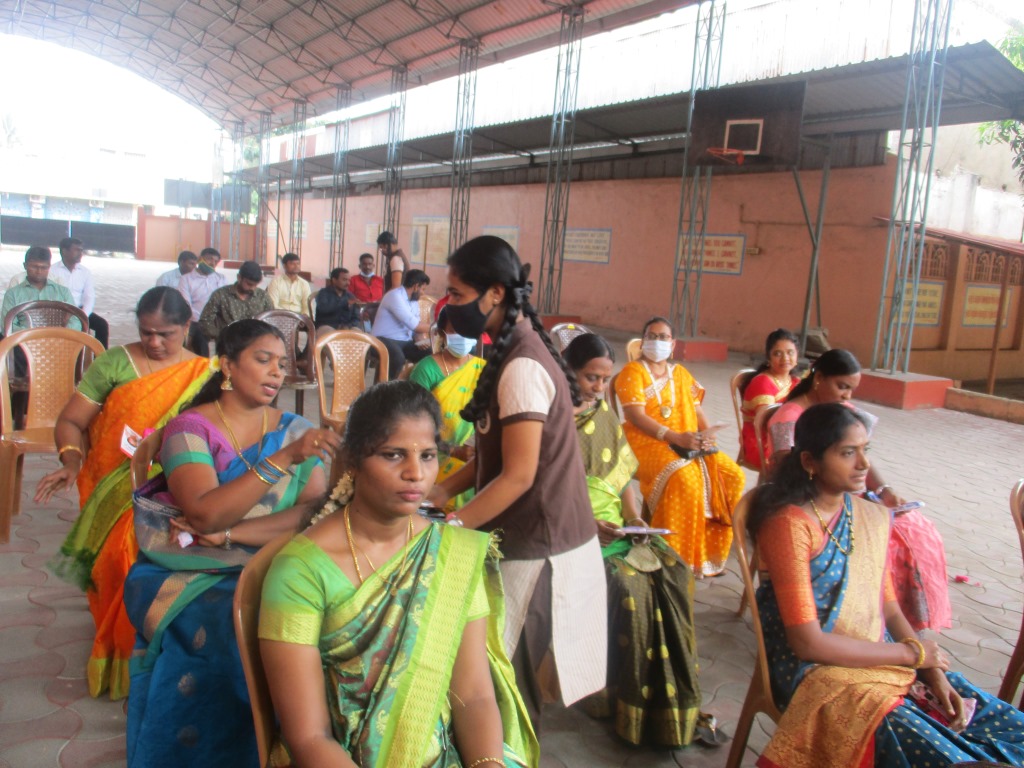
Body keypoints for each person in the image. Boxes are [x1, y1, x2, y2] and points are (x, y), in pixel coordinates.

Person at [259, 381, 538, 767]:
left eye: (428, 455)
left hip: (446, 753)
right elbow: (308, 737)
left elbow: (474, 695)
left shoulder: (449, 553)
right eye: (393, 455)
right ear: (352, 460)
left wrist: (486, 764)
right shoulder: (299, 572)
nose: (415, 473)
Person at [748, 403, 1024, 767]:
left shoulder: (864, 515)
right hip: (813, 669)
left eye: (866, 450)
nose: (864, 464)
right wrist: (911, 655)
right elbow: (808, 643)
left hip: (878, 653)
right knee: (941, 751)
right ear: (810, 462)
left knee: (999, 723)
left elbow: (889, 608)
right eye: (848, 453)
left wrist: (931, 670)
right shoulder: (790, 525)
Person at [122, 319, 340, 767]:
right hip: (193, 569)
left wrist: (231, 534)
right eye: (263, 360)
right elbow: (204, 513)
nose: (276, 372)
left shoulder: (295, 427)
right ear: (227, 365)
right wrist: (282, 460)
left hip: (274, 557)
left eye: (282, 364)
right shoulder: (190, 429)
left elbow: (313, 514)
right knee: (236, 622)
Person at [428, 235, 607, 728]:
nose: (450, 305)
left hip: (540, 548)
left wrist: (452, 527)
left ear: (495, 294)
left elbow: (520, 476)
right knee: (500, 680)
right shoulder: (511, 349)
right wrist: (442, 491)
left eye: (458, 294)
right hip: (529, 536)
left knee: (508, 690)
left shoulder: (523, 366)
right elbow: (497, 456)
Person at [34, 286, 209, 700]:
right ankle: (124, 653)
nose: (154, 342)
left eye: (165, 334)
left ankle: (168, 653)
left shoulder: (204, 373)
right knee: (124, 552)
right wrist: (71, 461)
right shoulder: (115, 363)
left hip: (179, 487)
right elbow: (71, 421)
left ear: (186, 326)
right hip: (115, 488)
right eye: (146, 332)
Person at [563, 334, 702, 747]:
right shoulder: (550, 418)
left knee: (672, 569)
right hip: (570, 526)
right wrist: (587, 524)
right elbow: (542, 491)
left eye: (604, 379)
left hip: (615, 525)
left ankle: (666, 703)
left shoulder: (602, 411)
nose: (598, 388)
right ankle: (611, 694)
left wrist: (635, 518)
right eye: (590, 377)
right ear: (568, 370)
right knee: (626, 584)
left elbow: (623, 477)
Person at [766, 348, 951, 632]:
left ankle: (902, 624)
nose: (847, 396)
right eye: (842, 386)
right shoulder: (790, 418)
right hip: (815, 497)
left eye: (852, 389)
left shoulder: (845, 414)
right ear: (819, 378)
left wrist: (884, 490)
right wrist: (907, 652)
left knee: (917, 530)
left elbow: (862, 462)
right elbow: (786, 468)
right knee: (893, 541)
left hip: (843, 498)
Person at [614, 316, 746, 577]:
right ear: (643, 342)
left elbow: (696, 410)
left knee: (733, 475)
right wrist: (674, 437)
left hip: (687, 441)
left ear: (672, 344)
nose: (657, 341)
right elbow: (635, 416)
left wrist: (707, 435)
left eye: (663, 337)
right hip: (645, 442)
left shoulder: (681, 374)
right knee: (685, 479)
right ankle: (674, 558)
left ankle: (706, 554)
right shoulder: (633, 372)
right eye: (652, 336)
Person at [409, 307, 484, 509]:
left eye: (468, 329)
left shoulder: (483, 369)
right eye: (456, 329)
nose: (463, 335)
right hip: (433, 453)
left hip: (476, 454)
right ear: (442, 333)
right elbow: (412, 423)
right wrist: (452, 450)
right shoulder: (426, 369)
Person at [739, 328, 800, 470]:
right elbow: (768, 421)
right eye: (778, 353)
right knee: (805, 460)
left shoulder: (796, 382)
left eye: (790, 352)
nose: (785, 358)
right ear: (769, 358)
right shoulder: (762, 382)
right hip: (761, 442)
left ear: (797, 355)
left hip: (787, 437)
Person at [1, 245, 82, 332]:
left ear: (49, 267)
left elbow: (75, 320)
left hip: (59, 338)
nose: (39, 271)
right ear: (25, 266)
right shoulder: (12, 294)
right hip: (25, 339)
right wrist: (33, 335)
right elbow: (7, 324)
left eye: (44, 267)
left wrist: (59, 333)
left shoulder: (63, 292)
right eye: (34, 267)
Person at [370, 268, 431, 378]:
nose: (423, 293)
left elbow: (416, 326)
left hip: (404, 342)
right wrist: (438, 326)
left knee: (429, 353)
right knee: (397, 357)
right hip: (382, 340)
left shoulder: (413, 300)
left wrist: (419, 337)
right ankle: (386, 387)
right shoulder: (394, 296)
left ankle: (415, 384)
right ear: (416, 286)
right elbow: (415, 326)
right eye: (423, 289)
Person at [51, 236, 108, 347]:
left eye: (81, 250)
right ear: (64, 251)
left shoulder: (85, 272)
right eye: (77, 250)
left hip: (80, 311)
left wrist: (83, 315)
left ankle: (101, 356)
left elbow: (89, 297)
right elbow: (51, 296)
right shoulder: (52, 271)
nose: (80, 253)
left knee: (102, 325)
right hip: (59, 312)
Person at [198, 260, 273, 343]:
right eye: (249, 284)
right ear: (239, 278)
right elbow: (205, 320)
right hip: (227, 342)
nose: (252, 288)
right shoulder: (221, 295)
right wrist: (221, 336)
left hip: (255, 343)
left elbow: (272, 320)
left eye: (255, 285)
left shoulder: (263, 297)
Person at [179, 247, 226, 355]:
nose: (212, 263)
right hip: (194, 321)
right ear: (200, 258)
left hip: (216, 321)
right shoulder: (186, 279)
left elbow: (224, 302)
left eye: (215, 261)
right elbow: (186, 304)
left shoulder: (221, 279)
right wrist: (203, 320)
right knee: (199, 336)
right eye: (209, 259)